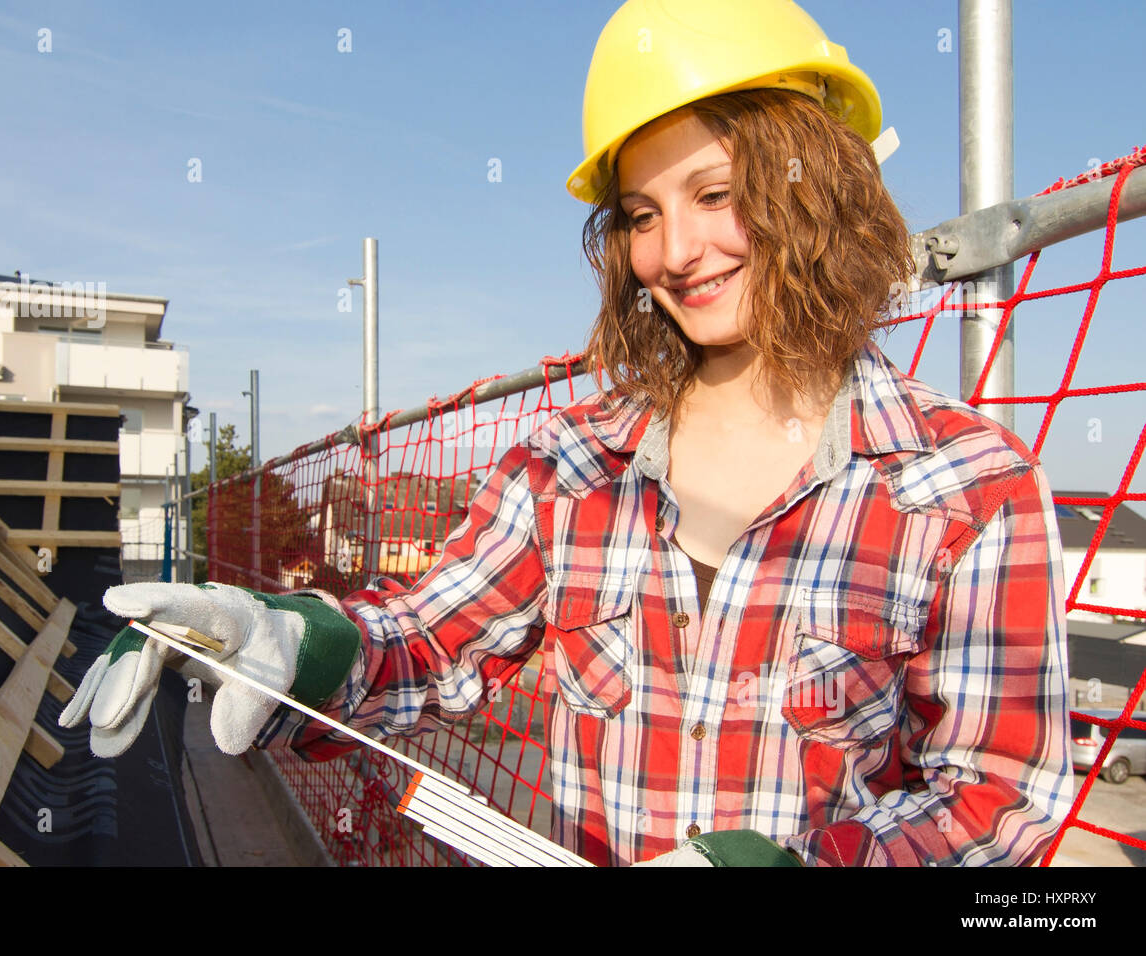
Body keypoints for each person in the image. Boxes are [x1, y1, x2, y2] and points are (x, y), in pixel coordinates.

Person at [62, 0, 1074, 867]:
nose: (673, 253)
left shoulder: (966, 490)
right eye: (640, 215)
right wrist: (291, 638)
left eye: (716, 196)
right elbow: (427, 634)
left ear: (818, 186)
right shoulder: (570, 465)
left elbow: (999, 797)